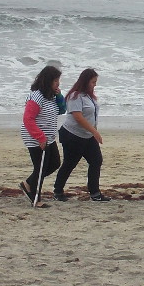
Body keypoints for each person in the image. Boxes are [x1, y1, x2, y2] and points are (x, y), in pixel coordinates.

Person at [53, 68, 111, 202]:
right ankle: (58, 191)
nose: (94, 85)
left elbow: (92, 114)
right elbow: (78, 117)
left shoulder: (89, 96)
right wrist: (94, 131)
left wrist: (93, 130)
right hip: (72, 135)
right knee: (70, 163)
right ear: (85, 81)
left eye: (95, 82)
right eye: (93, 82)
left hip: (87, 135)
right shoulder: (75, 96)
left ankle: (95, 193)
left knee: (96, 161)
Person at [19, 65, 66, 208]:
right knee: (40, 167)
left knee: (55, 163)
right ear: (48, 80)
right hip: (35, 137)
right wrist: (40, 137)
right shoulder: (36, 96)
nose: (58, 83)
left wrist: (59, 95)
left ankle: (27, 184)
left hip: (49, 136)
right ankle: (36, 198)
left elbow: (62, 110)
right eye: (56, 80)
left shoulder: (50, 96)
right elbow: (28, 119)